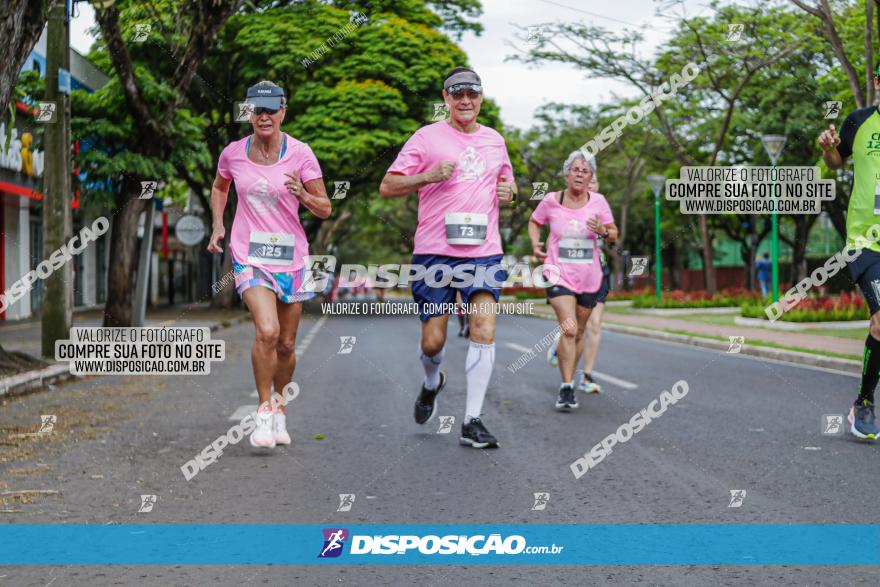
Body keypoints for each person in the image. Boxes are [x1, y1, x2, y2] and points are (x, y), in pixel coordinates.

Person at [379, 67, 516, 448]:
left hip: (484, 253)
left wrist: (510, 193)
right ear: (446, 98)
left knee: (483, 329)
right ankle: (431, 382)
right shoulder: (426, 137)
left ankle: (472, 421)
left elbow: (509, 184)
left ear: (481, 98)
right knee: (433, 342)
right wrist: (428, 176)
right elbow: (388, 186)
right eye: (458, 95)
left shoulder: (494, 141)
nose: (465, 101)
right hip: (435, 252)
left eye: (472, 94)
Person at [208, 81, 331, 448]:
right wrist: (219, 224)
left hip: (291, 258)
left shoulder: (302, 154)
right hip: (250, 255)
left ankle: (279, 408)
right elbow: (219, 187)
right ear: (248, 114)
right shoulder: (232, 153)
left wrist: (303, 193)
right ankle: (263, 411)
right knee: (267, 331)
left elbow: (325, 208)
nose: (264, 116)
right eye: (256, 110)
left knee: (288, 343)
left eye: (271, 109)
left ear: (283, 112)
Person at [529, 150, 617, 410]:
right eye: (575, 169)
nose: (580, 174)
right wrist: (535, 243)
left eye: (585, 170)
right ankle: (567, 387)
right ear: (567, 173)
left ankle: (571, 375)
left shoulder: (599, 202)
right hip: (558, 273)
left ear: (591, 177)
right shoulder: (550, 200)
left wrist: (602, 231)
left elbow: (613, 233)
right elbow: (535, 221)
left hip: (590, 277)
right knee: (568, 328)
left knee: (578, 331)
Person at [819, 65, 880, 439]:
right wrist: (828, 150)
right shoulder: (858, 122)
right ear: (877, 83)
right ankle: (864, 403)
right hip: (865, 241)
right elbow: (836, 162)